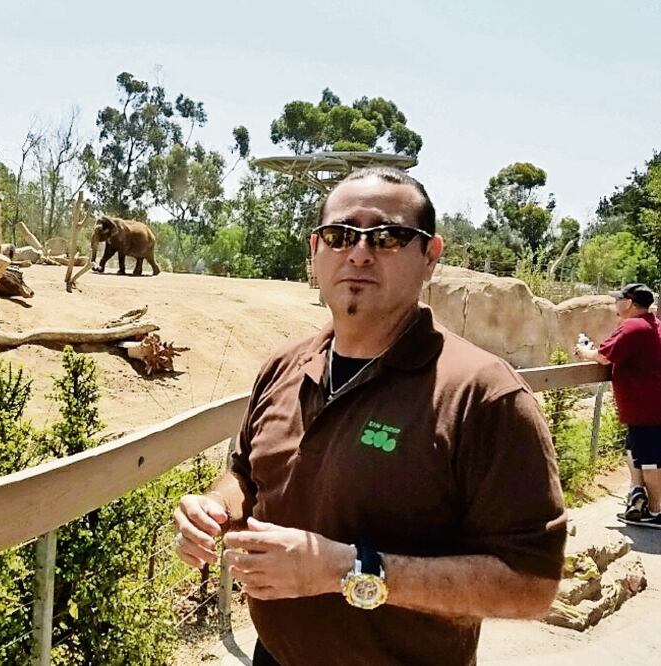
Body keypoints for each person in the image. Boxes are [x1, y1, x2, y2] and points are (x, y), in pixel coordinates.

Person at [173, 167, 567, 665]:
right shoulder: (284, 366)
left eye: (388, 237)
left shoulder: (483, 395)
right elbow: (245, 475)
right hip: (273, 655)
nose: (358, 252)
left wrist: (344, 568)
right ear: (315, 251)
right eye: (339, 236)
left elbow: (531, 585)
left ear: (430, 256)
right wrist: (215, 508)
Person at [574, 283, 661, 526]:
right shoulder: (653, 325)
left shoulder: (632, 326)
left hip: (646, 409)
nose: (614, 303)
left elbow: (603, 356)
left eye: (618, 299)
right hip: (648, 407)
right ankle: (638, 497)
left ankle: (656, 511)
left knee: (651, 460)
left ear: (630, 303)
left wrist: (584, 351)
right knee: (634, 450)